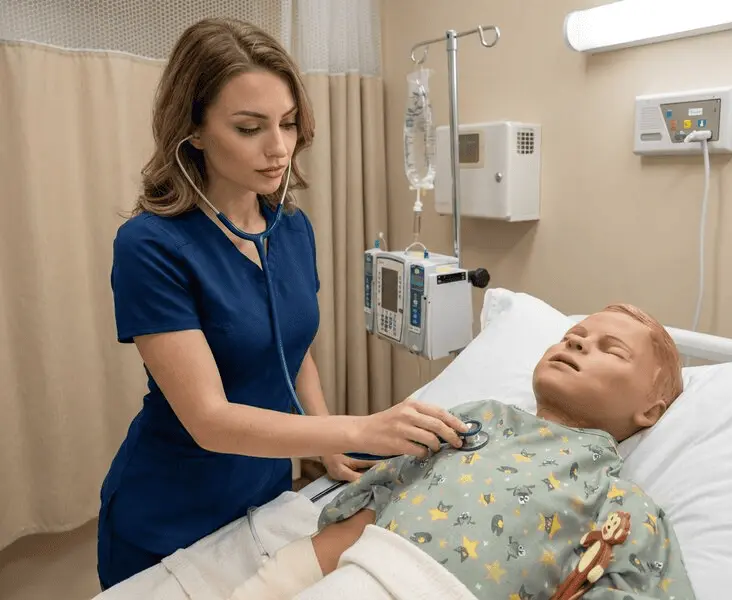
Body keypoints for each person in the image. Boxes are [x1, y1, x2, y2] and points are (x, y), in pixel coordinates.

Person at [97, 17, 466, 590]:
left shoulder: (289, 228)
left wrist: (330, 438)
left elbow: (291, 350)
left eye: (289, 123)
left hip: (265, 496)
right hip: (168, 509)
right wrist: (361, 427)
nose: (279, 148)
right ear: (192, 130)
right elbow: (210, 421)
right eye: (249, 128)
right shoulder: (151, 246)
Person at [227, 304, 697, 600]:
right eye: (574, 333)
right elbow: (374, 504)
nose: (575, 340)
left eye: (610, 350)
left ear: (651, 410)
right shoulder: (477, 420)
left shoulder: (622, 504)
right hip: (365, 572)